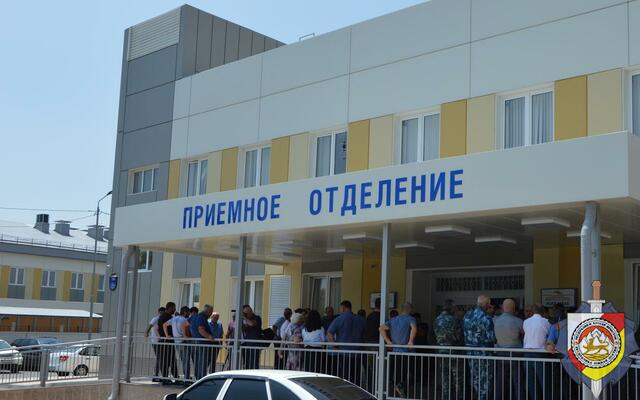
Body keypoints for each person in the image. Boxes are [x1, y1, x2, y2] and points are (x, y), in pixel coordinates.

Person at [380, 302, 417, 397]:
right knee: (412, 373)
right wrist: (410, 341)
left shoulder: (394, 319)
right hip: (407, 352)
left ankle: (399, 392)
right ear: (409, 309)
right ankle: (402, 389)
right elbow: (414, 328)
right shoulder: (411, 318)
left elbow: (381, 328)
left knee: (399, 374)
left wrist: (388, 341)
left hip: (395, 352)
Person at [463, 295, 496, 400]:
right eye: (489, 304)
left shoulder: (467, 316)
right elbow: (491, 338)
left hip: (470, 353)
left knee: (475, 379)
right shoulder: (486, 318)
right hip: (484, 354)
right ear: (486, 304)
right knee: (485, 381)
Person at [493, 299, 524, 399]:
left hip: (500, 353)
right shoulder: (518, 321)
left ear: (502, 308)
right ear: (514, 309)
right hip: (515, 353)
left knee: (500, 380)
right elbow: (524, 335)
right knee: (518, 381)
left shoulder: (495, 320)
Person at [327, 300, 365, 380]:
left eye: (340, 308)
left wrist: (334, 345)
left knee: (345, 376)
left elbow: (329, 332)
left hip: (343, 352)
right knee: (356, 376)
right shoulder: (360, 319)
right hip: (358, 352)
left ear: (343, 308)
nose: (340, 310)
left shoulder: (339, 319)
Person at [433, 299, 464, 399]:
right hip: (454, 352)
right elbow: (459, 336)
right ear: (451, 307)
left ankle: (446, 397)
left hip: (441, 352)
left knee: (445, 379)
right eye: (455, 307)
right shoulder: (454, 319)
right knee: (458, 379)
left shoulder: (437, 319)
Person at [523, 303, 551, 400]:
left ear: (533, 311)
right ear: (543, 311)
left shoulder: (526, 322)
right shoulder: (546, 322)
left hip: (527, 354)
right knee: (544, 382)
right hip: (540, 354)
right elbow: (550, 337)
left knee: (531, 382)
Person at [164, 306, 191, 382]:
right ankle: (187, 378)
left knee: (183, 360)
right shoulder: (184, 319)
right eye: (188, 312)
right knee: (186, 361)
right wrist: (186, 335)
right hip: (183, 342)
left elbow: (164, 325)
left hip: (176, 342)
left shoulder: (174, 318)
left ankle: (186, 378)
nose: (189, 314)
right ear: (185, 312)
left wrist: (167, 336)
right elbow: (185, 326)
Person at [189, 304, 215, 380]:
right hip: (202, 343)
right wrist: (209, 336)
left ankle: (198, 378)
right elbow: (201, 329)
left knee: (197, 362)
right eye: (211, 312)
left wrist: (189, 335)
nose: (211, 314)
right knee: (202, 362)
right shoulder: (202, 317)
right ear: (208, 311)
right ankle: (201, 379)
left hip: (195, 342)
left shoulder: (194, 316)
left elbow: (185, 325)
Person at [145, 307, 165, 381]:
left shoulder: (162, 319)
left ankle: (157, 375)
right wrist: (146, 333)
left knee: (160, 358)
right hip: (156, 341)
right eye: (161, 312)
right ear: (159, 312)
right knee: (160, 358)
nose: (162, 314)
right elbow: (150, 326)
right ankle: (155, 375)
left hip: (160, 341)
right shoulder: (155, 319)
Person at [241, 305, 263, 369]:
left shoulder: (257, 318)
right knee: (247, 363)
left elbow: (252, 324)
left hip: (254, 345)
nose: (245, 315)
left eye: (246, 314)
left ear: (250, 312)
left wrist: (244, 317)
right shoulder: (246, 320)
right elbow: (243, 329)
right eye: (244, 314)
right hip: (246, 344)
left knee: (254, 363)